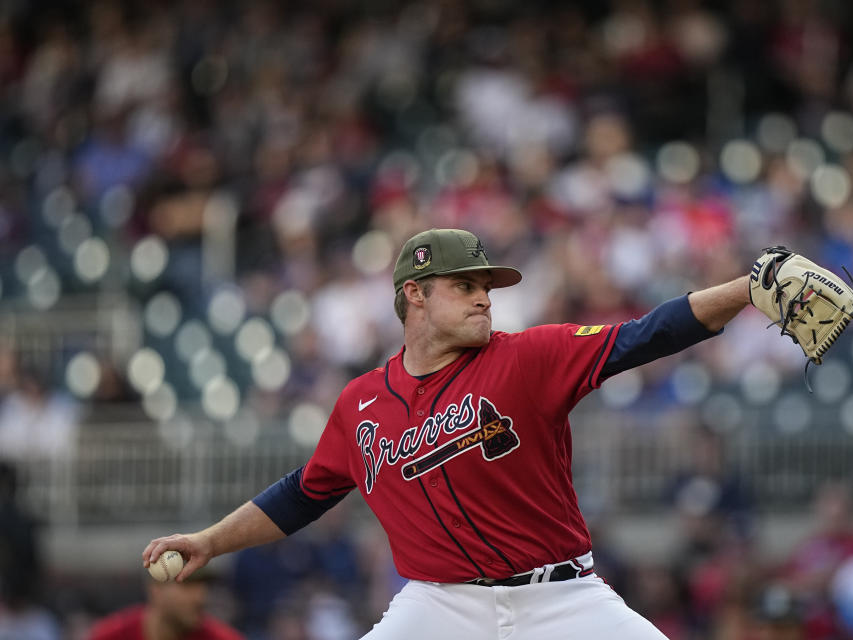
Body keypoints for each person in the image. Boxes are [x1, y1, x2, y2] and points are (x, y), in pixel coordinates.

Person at [142, 228, 767, 638]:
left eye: (486, 288)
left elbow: (645, 335)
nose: (483, 299)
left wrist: (748, 287)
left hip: (563, 599)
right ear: (413, 294)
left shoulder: (526, 358)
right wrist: (209, 541)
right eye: (464, 285)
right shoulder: (361, 403)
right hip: (440, 607)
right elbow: (305, 493)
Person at [84, 571, 242, 640]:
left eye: (203, 586)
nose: (199, 597)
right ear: (156, 589)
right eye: (187, 585)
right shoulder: (110, 636)